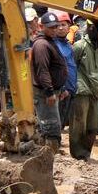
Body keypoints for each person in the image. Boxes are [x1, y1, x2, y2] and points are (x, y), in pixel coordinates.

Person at [30, 12, 68, 151]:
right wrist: (49, 92)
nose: (54, 30)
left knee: (51, 125)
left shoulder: (50, 41)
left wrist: (61, 88)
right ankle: (47, 156)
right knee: (50, 127)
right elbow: (43, 71)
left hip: (53, 91)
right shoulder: (41, 45)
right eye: (51, 27)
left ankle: (47, 154)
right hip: (45, 93)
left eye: (55, 26)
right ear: (41, 26)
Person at [69, 21, 98, 160]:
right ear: (91, 29)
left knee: (92, 124)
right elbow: (71, 67)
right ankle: (77, 153)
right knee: (79, 122)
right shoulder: (80, 46)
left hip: (96, 89)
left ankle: (86, 151)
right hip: (82, 89)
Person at [53, 12, 77, 131]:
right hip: (62, 91)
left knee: (62, 123)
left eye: (63, 24)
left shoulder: (68, 45)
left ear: (69, 27)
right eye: (58, 25)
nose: (61, 28)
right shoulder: (53, 45)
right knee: (56, 123)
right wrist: (63, 89)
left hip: (70, 90)